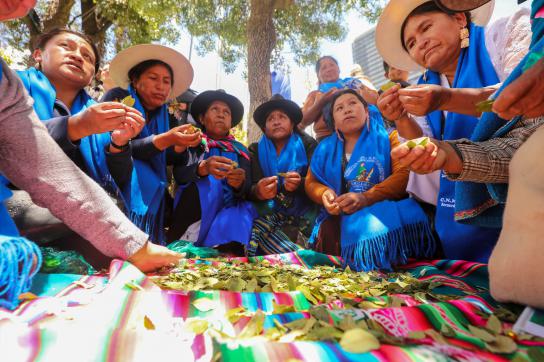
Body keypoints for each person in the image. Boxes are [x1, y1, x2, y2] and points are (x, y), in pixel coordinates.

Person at [0, 0, 181, 308]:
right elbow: (26, 152)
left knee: (111, 210)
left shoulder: (96, 109)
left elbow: (118, 176)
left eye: (87, 56)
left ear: (92, 73)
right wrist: (75, 127)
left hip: (83, 207)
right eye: (66, 47)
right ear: (38, 54)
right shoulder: (16, 85)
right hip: (20, 204)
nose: (77, 56)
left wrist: (120, 143)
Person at [376, 0, 531, 262]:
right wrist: (400, 117)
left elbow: (523, 96)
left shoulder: (501, 35)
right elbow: (430, 155)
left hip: (528, 199)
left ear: (460, 19)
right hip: (458, 230)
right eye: (411, 43)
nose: (420, 43)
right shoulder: (424, 87)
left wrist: (447, 98)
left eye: (425, 28)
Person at [304, 89, 435, 271]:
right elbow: (311, 182)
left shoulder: (390, 137)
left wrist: (366, 198)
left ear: (367, 111)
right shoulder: (324, 149)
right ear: (334, 123)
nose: (347, 110)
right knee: (327, 230)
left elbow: (404, 174)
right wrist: (324, 193)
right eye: (339, 108)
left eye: (353, 103)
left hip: (382, 212)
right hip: (339, 216)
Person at [102, 44, 201, 243]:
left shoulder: (168, 115)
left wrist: (181, 144)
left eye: (166, 81)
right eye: (153, 78)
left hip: (153, 190)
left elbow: (166, 157)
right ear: (135, 81)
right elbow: (122, 148)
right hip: (113, 187)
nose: (161, 86)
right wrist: (167, 139)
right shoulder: (118, 100)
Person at [166, 90, 256, 254]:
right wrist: (201, 169)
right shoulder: (192, 143)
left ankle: (227, 251)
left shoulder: (241, 151)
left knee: (241, 212)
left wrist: (239, 184)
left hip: (227, 214)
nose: (221, 115)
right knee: (208, 184)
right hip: (193, 211)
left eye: (226, 112)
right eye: (215, 109)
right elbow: (179, 176)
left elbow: (248, 188)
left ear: (231, 122)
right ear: (202, 118)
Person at [247, 95, 317, 256]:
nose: (276, 122)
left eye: (282, 117)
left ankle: (302, 255)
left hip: (303, 212)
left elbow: (318, 181)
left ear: (292, 123)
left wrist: (300, 184)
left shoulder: (308, 145)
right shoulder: (255, 150)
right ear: (264, 127)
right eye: (271, 119)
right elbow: (248, 188)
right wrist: (258, 190)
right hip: (269, 212)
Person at [299, 56, 379, 141]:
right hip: (327, 141)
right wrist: (321, 102)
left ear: (338, 69)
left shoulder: (352, 84)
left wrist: (354, 93)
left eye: (332, 65)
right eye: (324, 68)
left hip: (364, 134)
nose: (329, 69)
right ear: (318, 75)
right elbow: (303, 121)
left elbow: (375, 100)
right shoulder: (315, 95)